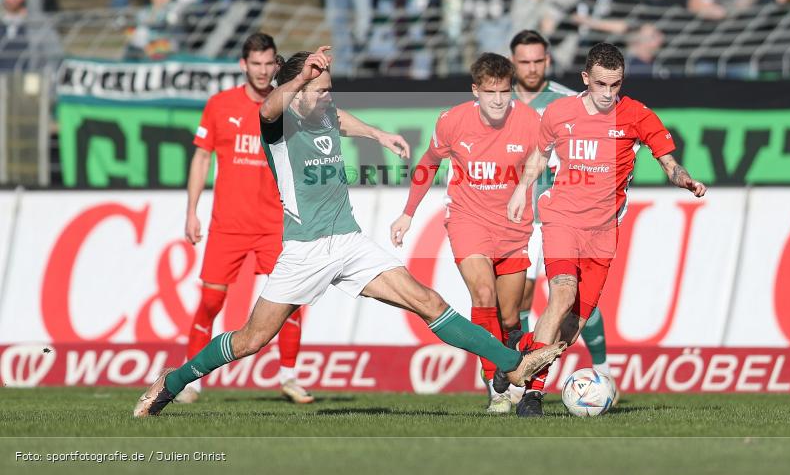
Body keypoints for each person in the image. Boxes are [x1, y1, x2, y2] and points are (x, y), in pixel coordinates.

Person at [134, 46, 565, 417]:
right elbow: (267, 108)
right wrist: (304, 75)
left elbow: (340, 119)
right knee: (251, 339)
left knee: (427, 300)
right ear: (298, 90)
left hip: (350, 241)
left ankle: (514, 363)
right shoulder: (279, 129)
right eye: (319, 90)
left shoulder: (322, 111)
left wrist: (377, 133)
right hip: (306, 250)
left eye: (328, 88)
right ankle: (171, 383)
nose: (327, 96)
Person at [506, 42, 707, 417]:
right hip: (562, 219)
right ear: (586, 79)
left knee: (573, 327)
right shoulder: (559, 112)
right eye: (601, 84)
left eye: (615, 85)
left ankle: (516, 359)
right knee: (562, 296)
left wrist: (684, 179)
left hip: (603, 232)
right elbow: (539, 156)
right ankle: (532, 395)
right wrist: (522, 189)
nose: (608, 94)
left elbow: (668, 163)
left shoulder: (636, 115)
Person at [390, 53, 541, 414]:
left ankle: (506, 369)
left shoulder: (529, 120)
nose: (499, 100)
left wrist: (523, 186)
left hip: (513, 225)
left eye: (505, 91)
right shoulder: (453, 121)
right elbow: (429, 162)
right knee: (483, 293)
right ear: (476, 91)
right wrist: (407, 213)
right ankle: (495, 386)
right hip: (467, 219)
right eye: (491, 92)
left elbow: (541, 157)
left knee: (510, 317)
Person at [176, 33, 311, 406]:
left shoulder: (288, 108)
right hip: (228, 226)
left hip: (275, 224)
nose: (264, 71)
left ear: (277, 65)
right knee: (209, 303)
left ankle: (289, 376)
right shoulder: (220, 105)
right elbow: (201, 158)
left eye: (270, 64)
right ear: (243, 65)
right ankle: (191, 380)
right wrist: (191, 212)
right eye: (257, 64)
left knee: (293, 300)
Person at [507, 30, 616, 401]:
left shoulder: (570, 102)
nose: (532, 68)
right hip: (516, 220)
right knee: (519, 299)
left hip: (560, 217)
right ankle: (519, 375)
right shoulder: (497, 103)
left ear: (548, 61)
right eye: (524, 61)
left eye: (539, 61)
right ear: (513, 63)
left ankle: (603, 369)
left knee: (572, 299)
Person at [124, 0, 192, 60]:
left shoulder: (176, 8)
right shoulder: (142, 13)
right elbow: (133, 38)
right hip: (143, 56)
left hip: (169, 56)